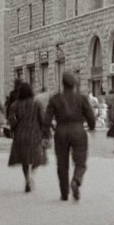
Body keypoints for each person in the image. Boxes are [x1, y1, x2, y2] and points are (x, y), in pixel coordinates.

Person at [46, 71, 96, 202]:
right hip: (78, 130)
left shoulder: (55, 99)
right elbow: (91, 117)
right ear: (74, 84)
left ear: (62, 83)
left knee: (62, 164)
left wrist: (46, 135)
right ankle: (76, 180)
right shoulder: (81, 98)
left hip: (61, 131)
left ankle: (64, 193)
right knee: (80, 161)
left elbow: (46, 120)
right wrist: (91, 127)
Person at [8, 80, 47, 192]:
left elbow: (11, 119)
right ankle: (32, 176)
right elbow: (42, 119)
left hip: (20, 134)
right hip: (35, 133)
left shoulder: (15, 105)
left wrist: (14, 127)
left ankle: (27, 179)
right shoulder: (37, 103)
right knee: (38, 158)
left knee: (25, 160)